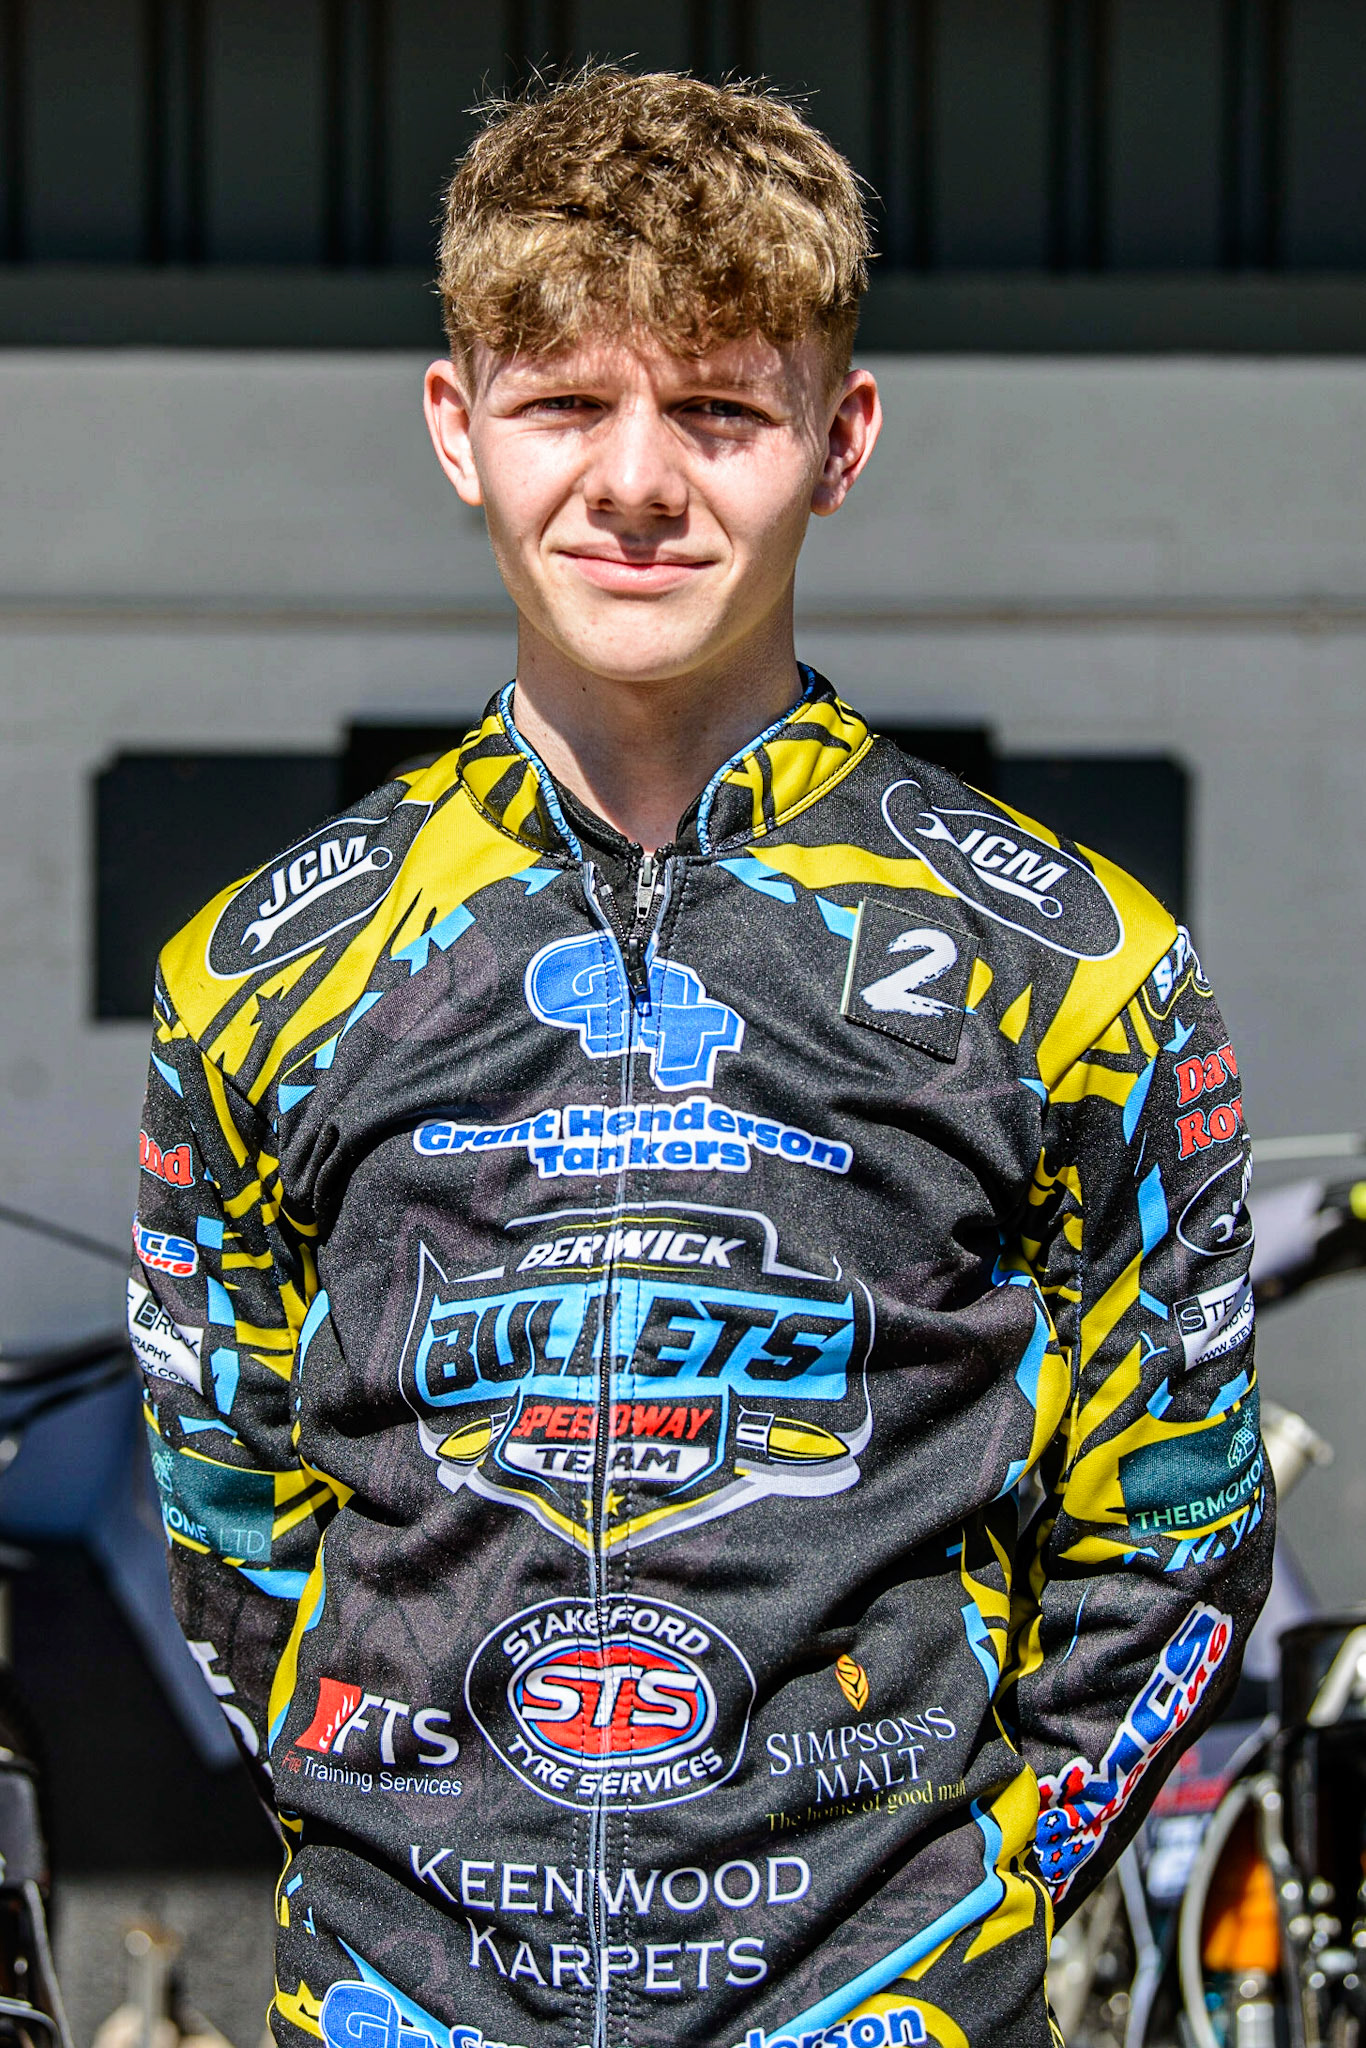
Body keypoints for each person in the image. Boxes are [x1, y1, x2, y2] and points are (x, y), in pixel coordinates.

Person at [128, 65, 1271, 2048]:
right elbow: (232, 1524)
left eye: (722, 410)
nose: (638, 481)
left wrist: (969, 1915)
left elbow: (1176, 1534)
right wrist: (383, 1853)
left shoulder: (1070, 967)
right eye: (564, 402)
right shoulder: (259, 975)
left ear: (839, 441)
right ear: (455, 428)